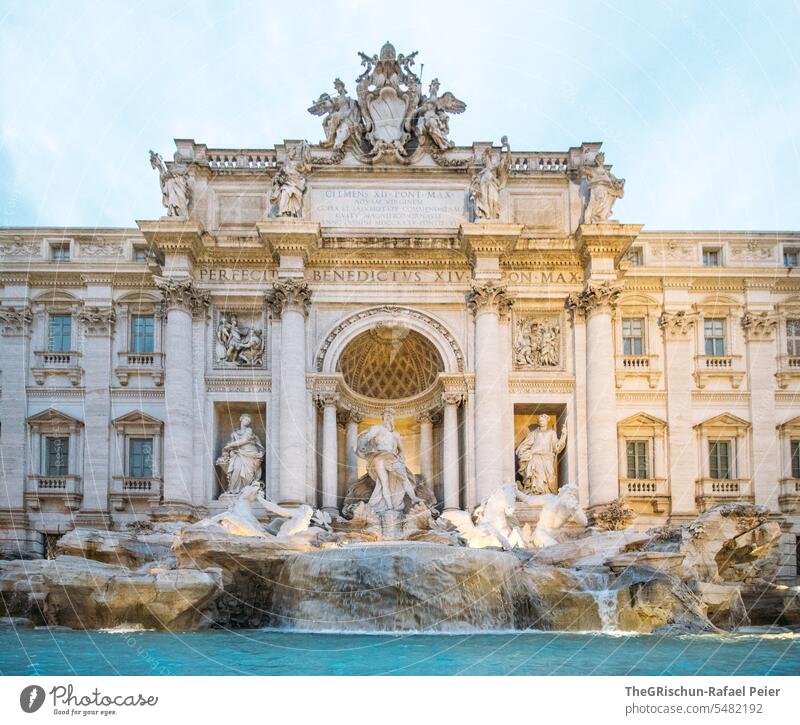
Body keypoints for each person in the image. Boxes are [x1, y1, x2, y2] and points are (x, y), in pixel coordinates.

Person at [356, 408, 422, 512]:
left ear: (393, 418)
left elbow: (401, 450)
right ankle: (390, 507)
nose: (388, 418)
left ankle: (413, 498)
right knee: (383, 483)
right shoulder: (377, 428)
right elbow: (367, 437)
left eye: (390, 416)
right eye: (386, 416)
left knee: (404, 478)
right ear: (383, 418)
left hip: (392, 458)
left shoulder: (396, 435)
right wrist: (363, 446)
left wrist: (401, 458)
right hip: (379, 457)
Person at [516, 415, 567, 495]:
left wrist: (564, 435)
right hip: (535, 457)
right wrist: (523, 451)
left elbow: (557, 447)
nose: (541, 422)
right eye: (540, 421)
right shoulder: (533, 433)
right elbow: (526, 444)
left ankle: (547, 494)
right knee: (537, 476)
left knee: (550, 476)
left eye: (543, 420)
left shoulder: (551, 433)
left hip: (547, 458)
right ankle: (536, 493)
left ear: (547, 421)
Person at [217, 414, 265, 494]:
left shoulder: (249, 430)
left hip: (250, 453)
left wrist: (229, 445)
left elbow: (244, 441)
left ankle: (246, 490)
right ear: (241, 419)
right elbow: (232, 445)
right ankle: (233, 490)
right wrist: (229, 450)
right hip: (238, 454)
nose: (247, 422)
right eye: (246, 420)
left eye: (248, 421)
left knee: (248, 473)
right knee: (237, 468)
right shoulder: (234, 433)